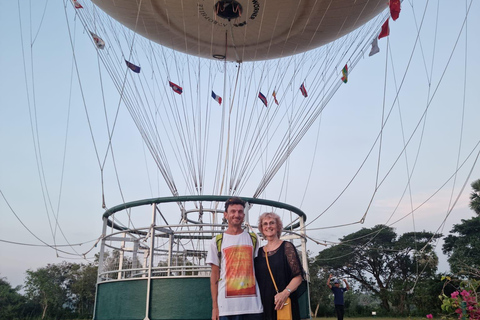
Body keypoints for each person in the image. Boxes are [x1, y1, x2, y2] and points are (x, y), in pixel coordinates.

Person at [206, 197, 263, 320]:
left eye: (240, 211)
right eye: (233, 211)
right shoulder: (216, 242)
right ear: (226, 215)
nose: (236, 215)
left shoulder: (253, 239)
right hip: (226, 308)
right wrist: (215, 307)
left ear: (244, 214)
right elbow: (214, 276)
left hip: (253, 306)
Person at [254, 212, 304, 320]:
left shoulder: (287, 247)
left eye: (272, 223)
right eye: (265, 224)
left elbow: (298, 276)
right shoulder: (258, 253)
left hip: (284, 304)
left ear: (278, 227)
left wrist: (285, 293)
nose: (268, 226)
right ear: (262, 229)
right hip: (265, 307)